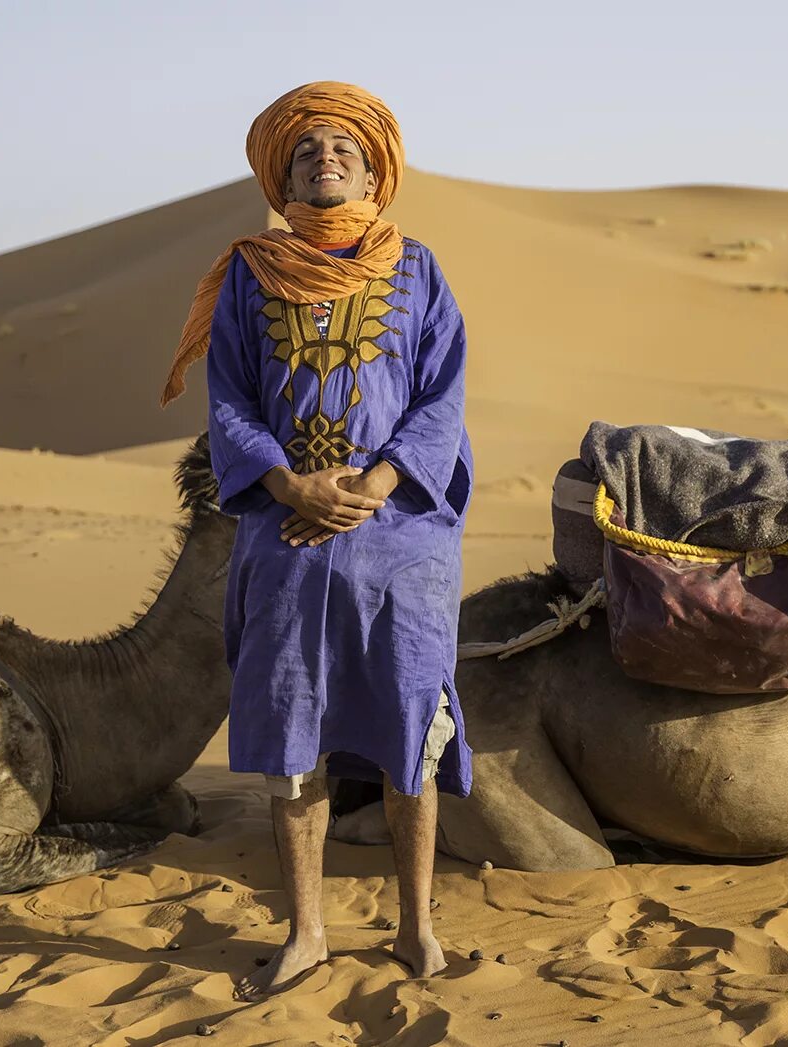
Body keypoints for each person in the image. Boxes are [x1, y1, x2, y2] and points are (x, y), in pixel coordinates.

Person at [159, 81, 474, 997]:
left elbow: (443, 395)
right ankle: (307, 931)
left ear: (374, 167)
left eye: (342, 148)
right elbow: (227, 396)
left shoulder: (418, 271)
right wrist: (289, 483)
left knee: (409, 729)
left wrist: (377, 483)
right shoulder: (250, 275)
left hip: (402, 543)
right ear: (281, 173)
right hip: (286, 539)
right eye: (306, 151)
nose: (325, 158)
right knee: (294, 740)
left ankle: (417, 925)